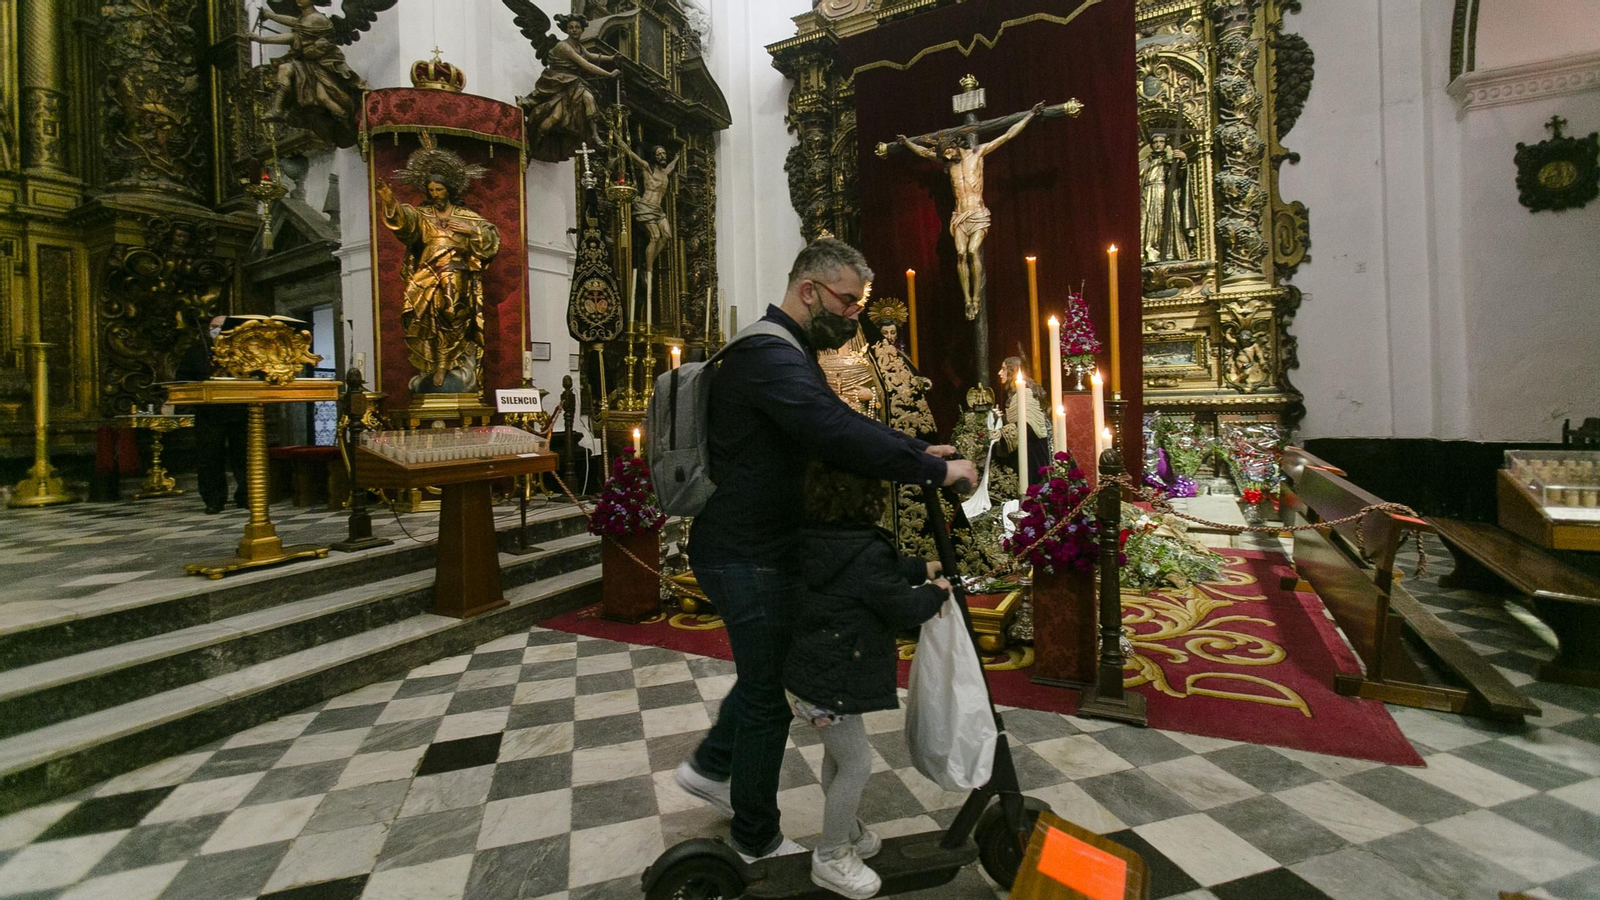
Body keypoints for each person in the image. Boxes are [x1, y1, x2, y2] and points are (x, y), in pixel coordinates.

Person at [674, 238, 978, 862]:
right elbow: (829, 428)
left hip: (760, 543)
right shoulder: (767, 352)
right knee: (766, 693)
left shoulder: (785, 349)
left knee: (768, 672)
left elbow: (834, 418)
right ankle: (754, 836)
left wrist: (917, 452)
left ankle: (711, 766)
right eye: (845, 302)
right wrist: (929, 472)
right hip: (744, 549)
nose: (853, 317)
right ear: (809, 289)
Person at [783, 463, 951, 898]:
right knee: (856, 764)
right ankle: (832, 853)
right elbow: (900, 606)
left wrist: (920, 569)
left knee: (839, 760)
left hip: (811, 674)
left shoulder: (818, 537)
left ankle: (850, 833)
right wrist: (937, 591)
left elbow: (874, 575)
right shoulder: (865, 549)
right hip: (834, 680)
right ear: (868, 500)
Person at [174, 315, 247, 514]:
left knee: (244, 457)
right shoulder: (196, 352)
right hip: (209, 413)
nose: (217, 330)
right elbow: (182, 380)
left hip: (240, 411)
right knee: (209, 458)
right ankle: (214, 500)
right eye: (214, 327)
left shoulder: (242, 350)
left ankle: (247, 496)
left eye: (222, 327)